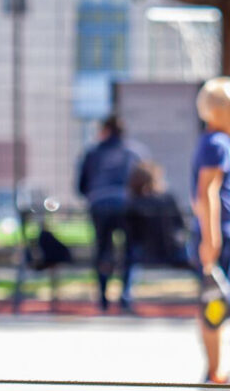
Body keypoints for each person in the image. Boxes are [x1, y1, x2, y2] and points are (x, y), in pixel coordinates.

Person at [191, 76, 230, 385]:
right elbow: (206, 192)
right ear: (218, 114)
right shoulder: (216, 145)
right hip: (223, 235)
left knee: (221, 300)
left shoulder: (224, 145)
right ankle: (215, 369)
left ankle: (218, 366)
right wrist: (211, 238)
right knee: (214, 300)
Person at [76, 115, 143, 312]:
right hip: (127, 206)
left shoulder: (93, 153)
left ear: (105, 130)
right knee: (130, 250)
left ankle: (103, 297)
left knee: (103, 251)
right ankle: (125, 295)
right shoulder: (134, 153)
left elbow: (81, 185)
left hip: (99, 205)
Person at [123, 160, 187, 273]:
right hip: (172, 251)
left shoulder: (133, 203)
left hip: (143, 254)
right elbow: (180, 224)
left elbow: (130, 235)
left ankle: (126, 289)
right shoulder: (168, 199)